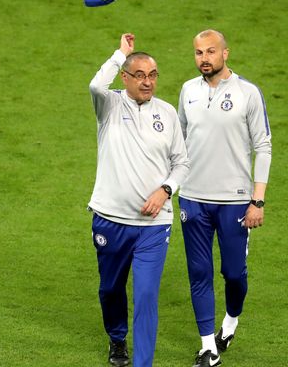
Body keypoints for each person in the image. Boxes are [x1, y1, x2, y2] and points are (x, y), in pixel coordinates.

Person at [88, 33, 189, 367]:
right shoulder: (110, 104)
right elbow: (94, 85)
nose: (148, 82)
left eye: (153, 75)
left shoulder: (168, 113)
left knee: (146, 296)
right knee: (111, 289)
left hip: (153, 226)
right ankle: (117, 338)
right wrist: (120, 53)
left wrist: (166, 190)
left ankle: (144, 363)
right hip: (110, 219)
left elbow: (182, 162)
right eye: (140, 75)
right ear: (126, 78)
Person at [177, 29, 272, 367]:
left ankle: (230, 322)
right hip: (192, 198)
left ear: (225, 53)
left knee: (233, 273)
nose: (204, 58)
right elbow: (180, 142)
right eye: (199, 52)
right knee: (198, 271)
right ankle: (208, 347)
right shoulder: (188, 91)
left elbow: (262, 146)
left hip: (234, 200)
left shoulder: (248, 93)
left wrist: (257, 201)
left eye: (210, 51)